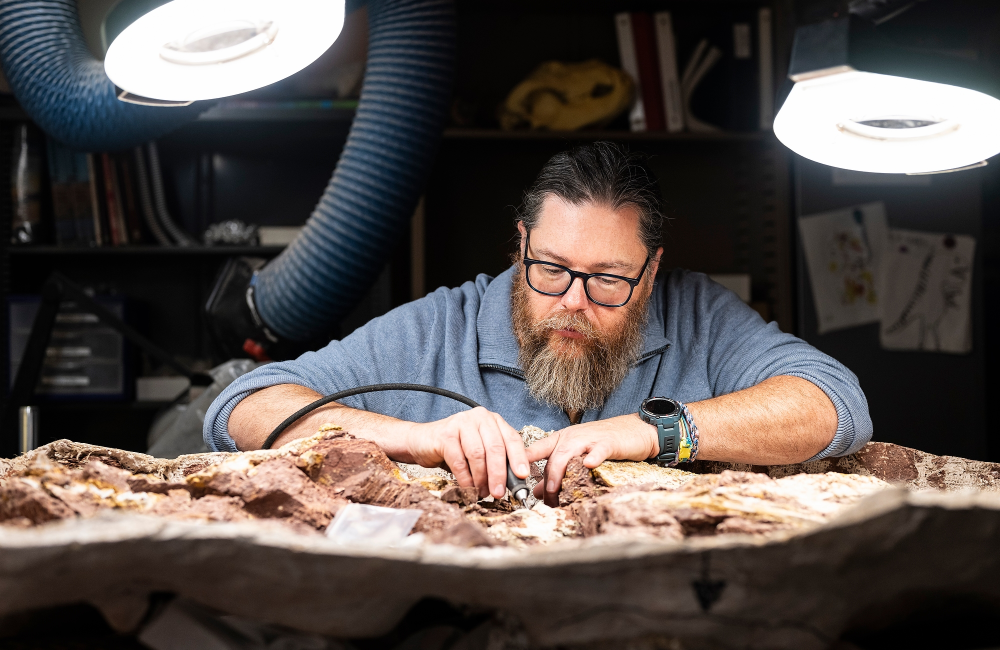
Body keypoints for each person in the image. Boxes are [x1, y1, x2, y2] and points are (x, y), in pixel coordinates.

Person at [204, 142, 871, 507]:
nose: (572, 301)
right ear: (518, 244)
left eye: (609, 279)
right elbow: (244, 407)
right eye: (549, 268)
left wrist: (653, 431)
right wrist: (417, 438)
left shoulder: (699, 315)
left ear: (652, 268)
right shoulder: (440, 325)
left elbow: (834, 404)